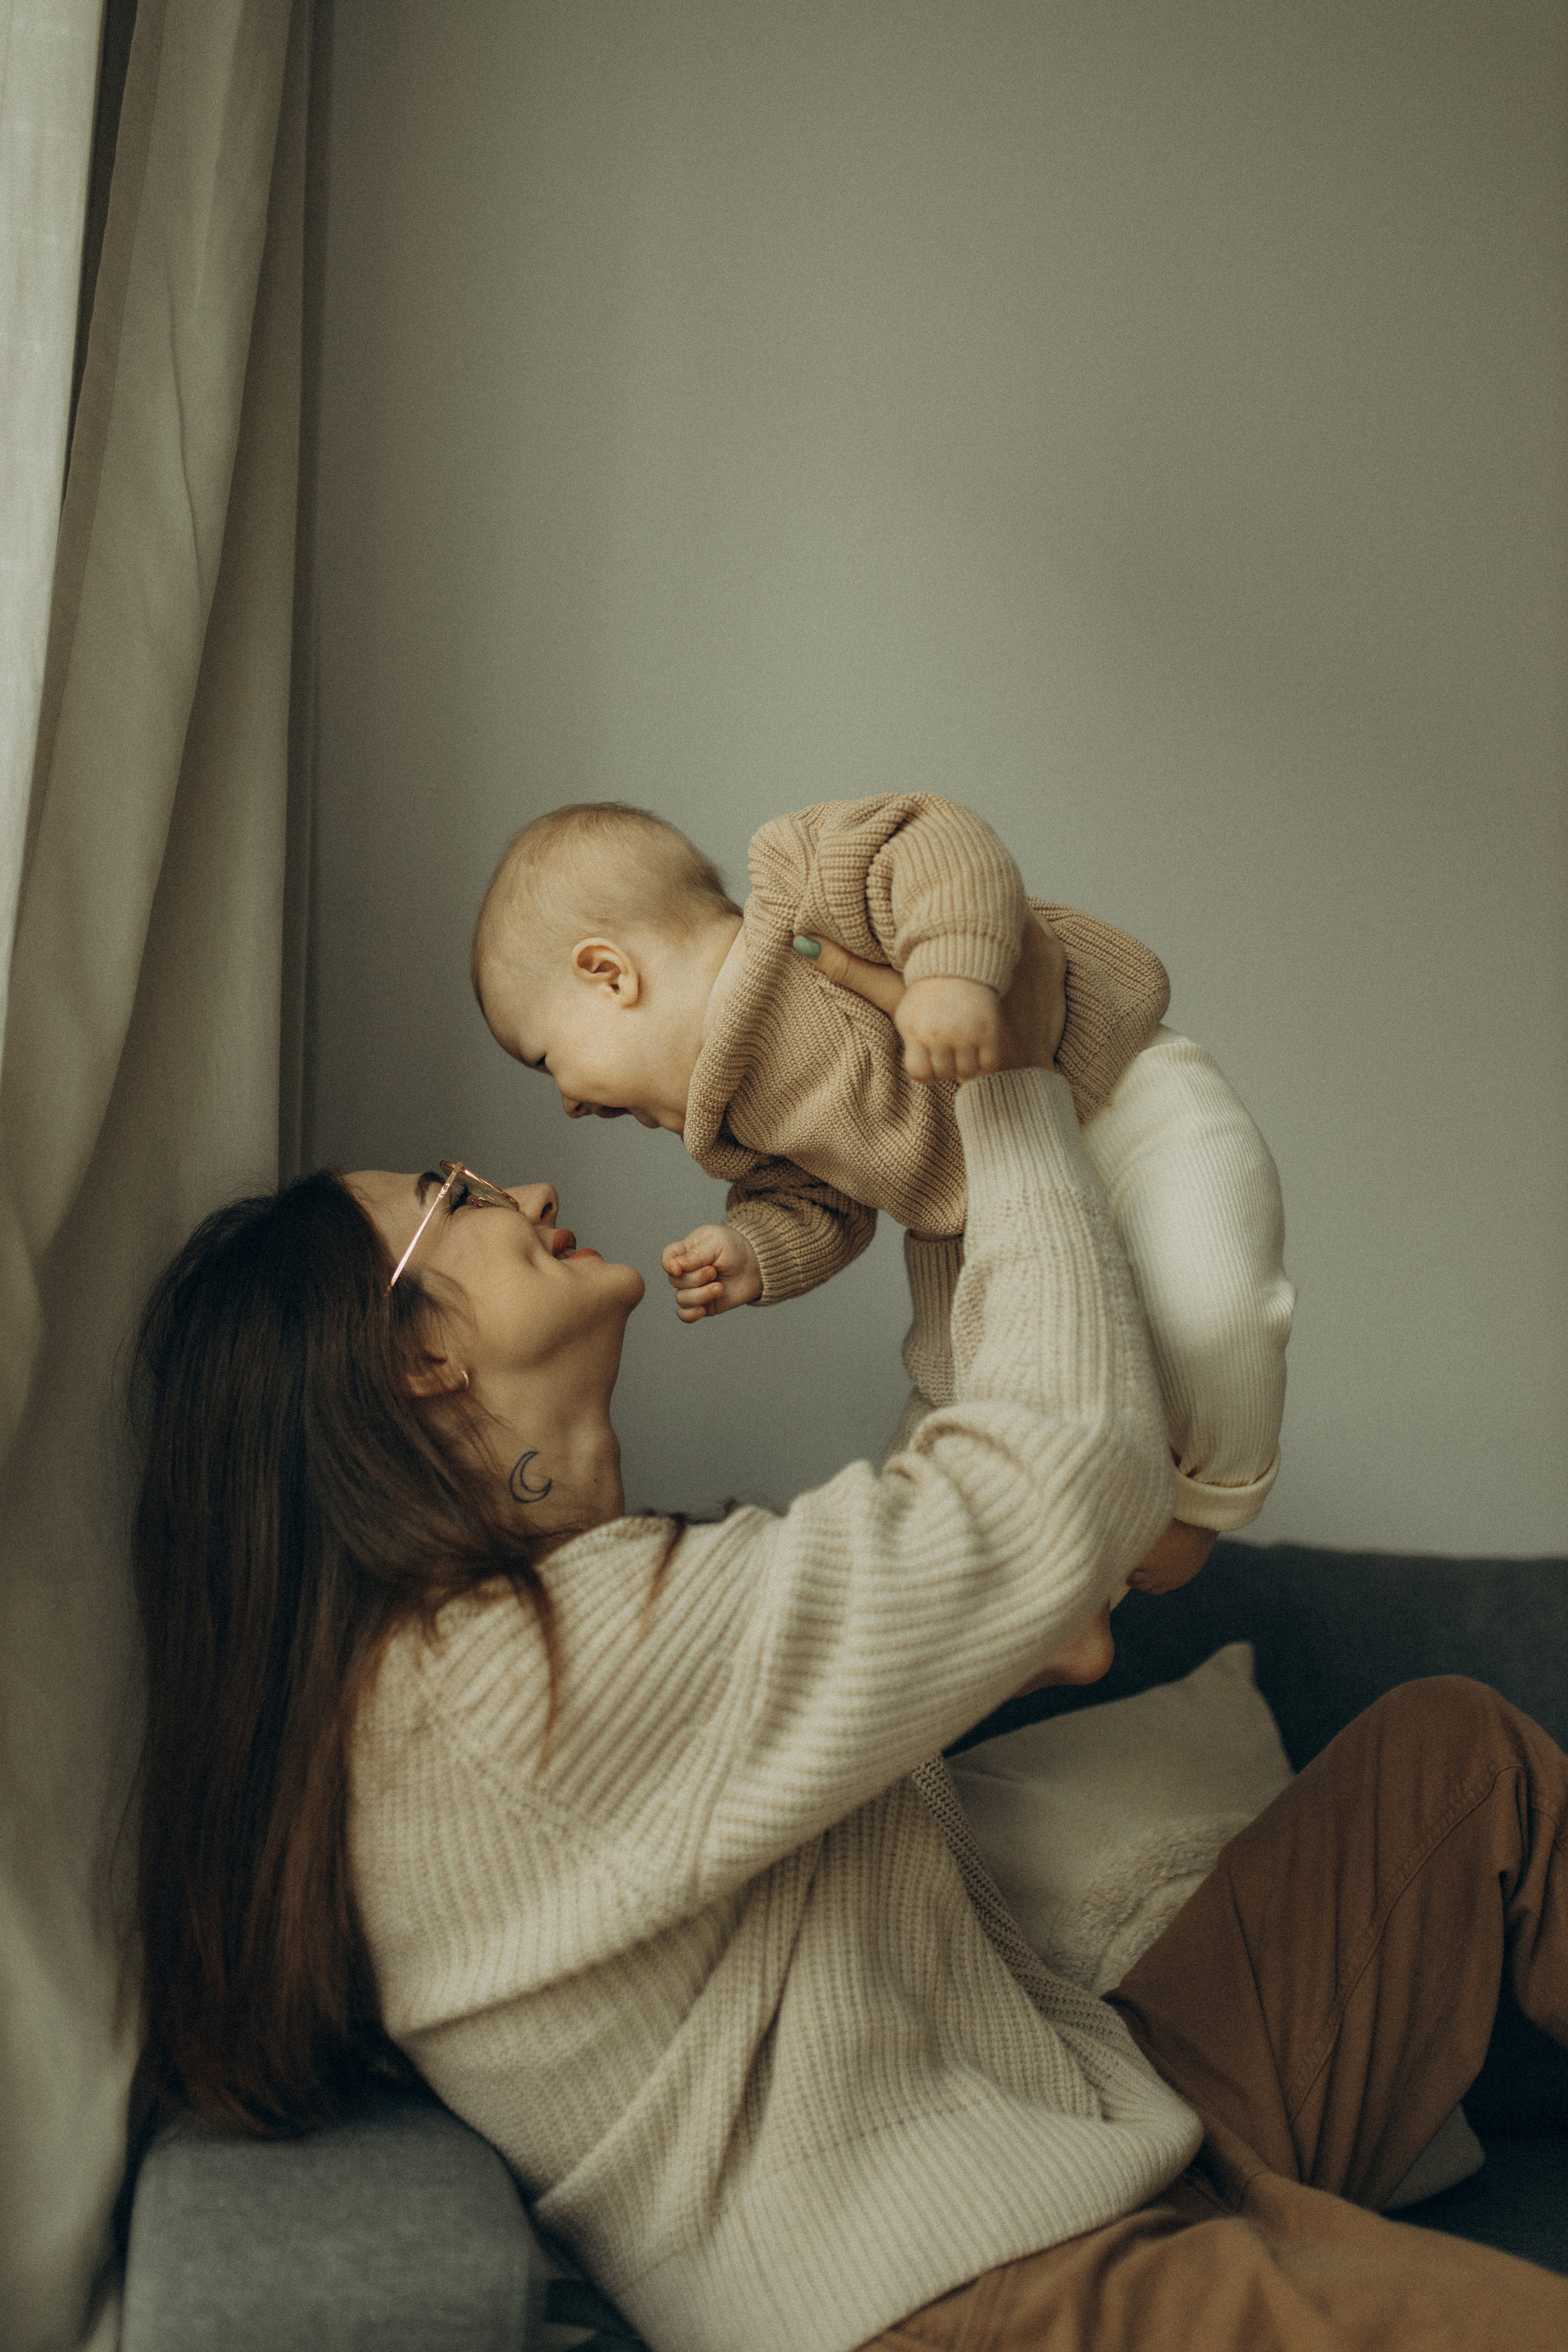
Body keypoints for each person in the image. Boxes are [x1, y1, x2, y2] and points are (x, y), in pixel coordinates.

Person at [130, 927, 1568, 2351]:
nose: (528, 1183)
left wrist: (928, 1172)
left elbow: (1019, 1594)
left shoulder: (567, 1624)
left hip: (1092, 2127)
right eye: (453, 1195)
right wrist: (1003, 1090)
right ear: (413, 1355)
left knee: (1454, 1762)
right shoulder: (501, 1688)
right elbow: (1058, 1489)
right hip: (978, 2295)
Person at [470, 797, 1294, 1615]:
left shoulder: (798, 888)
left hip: (1118, 1102)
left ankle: (1203, 1503)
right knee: (950, 1422)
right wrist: (755, 1249)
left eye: (548, 1061)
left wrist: (950, 974)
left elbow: (942, 844)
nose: (570, 1105)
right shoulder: (734, 1121)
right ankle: (982, 1651)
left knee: (1212, 1306)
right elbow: (822, 1204)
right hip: (982, 1221)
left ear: (608, 973)